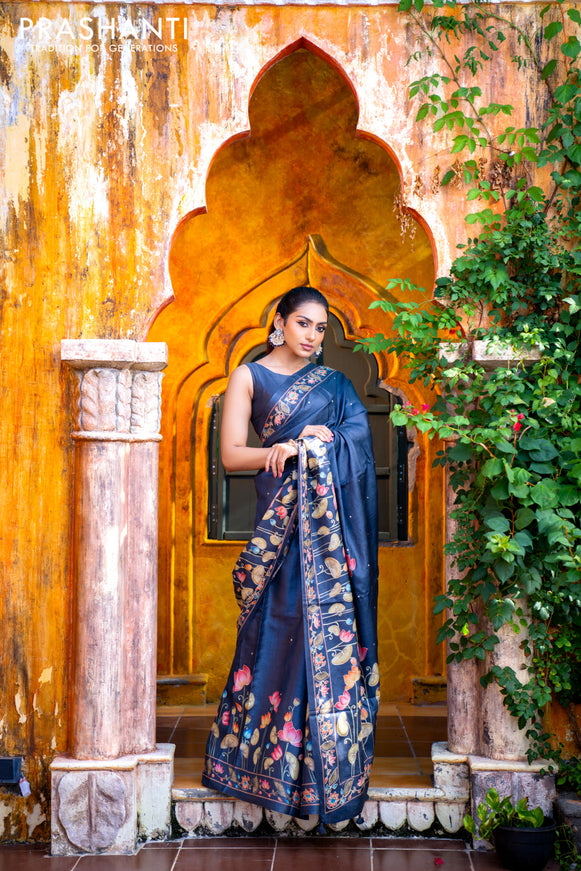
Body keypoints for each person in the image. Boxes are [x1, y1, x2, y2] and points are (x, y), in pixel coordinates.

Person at [202, 286, 379, 824]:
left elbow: (358, 440)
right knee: (275, 630)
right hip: (278, 531)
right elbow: (232, 455)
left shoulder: (337, 384)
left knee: (324, 640)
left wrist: (312, 447)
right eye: (303, 323)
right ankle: (261, 768)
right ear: (279, 323)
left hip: (329, 538)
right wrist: (282, 448)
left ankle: (326, 774)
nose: (312, 336)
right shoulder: (249, 377)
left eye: (321, 328)